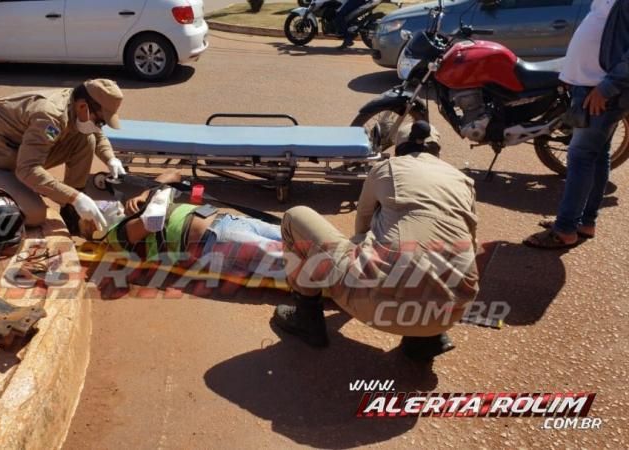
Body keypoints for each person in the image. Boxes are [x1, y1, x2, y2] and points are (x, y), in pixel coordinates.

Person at [272, 121, 479, 361]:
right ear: (437, 151)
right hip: (451, 312)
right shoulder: (463, 181)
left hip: (380, 308)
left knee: (294, 217)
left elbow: (362, 226)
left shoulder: (387, 168)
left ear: (400, 148)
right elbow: (470, 243)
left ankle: (306, 317)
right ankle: (425, 340)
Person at [524, 0, 629, 249]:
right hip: (590, 86)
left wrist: (606, 88)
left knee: (580, 157)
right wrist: (574, 74)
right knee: (598, 155)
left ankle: (565, 230)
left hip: (602, 91)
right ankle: (584, 222)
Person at [0, 79, 127, 234]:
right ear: (83, 107)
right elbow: (27, 168)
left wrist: (110, 159)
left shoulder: (76, 102)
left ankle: (70, 212)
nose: (100, 126)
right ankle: (63, 200)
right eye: (100, 121)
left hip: (18, 156)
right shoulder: (49, 115)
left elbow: (96, 134)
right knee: (35, 214)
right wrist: (75, 197)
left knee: (86, 139)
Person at [78, 170, 284, 275]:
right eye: (87, 222)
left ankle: (162, 198)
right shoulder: (117, 234)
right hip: (215, 242)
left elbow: (175, 175)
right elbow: (151, 223)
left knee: (300, 235)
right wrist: (155, 202)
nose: (101, 205)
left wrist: (147, 192)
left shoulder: (135, 204)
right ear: (96, 230)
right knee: (294, 259)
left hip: (229, 221)